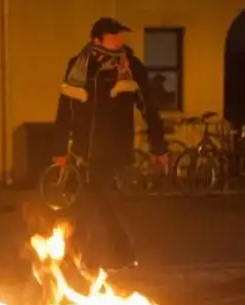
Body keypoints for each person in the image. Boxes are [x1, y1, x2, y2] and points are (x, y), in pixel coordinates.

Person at [52, 17, 168, 270]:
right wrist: (60, 150)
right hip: (84, 149)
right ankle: (119, 253)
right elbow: (65, 109)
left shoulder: (131, 67)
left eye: (121, 36)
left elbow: (149, 107)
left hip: (114, 148)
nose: (119, 41)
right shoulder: (80, 66)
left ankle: (82, 255)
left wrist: (158, 147)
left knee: (93, 197)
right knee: (98, 199)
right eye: (113, 36)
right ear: (97, 39)